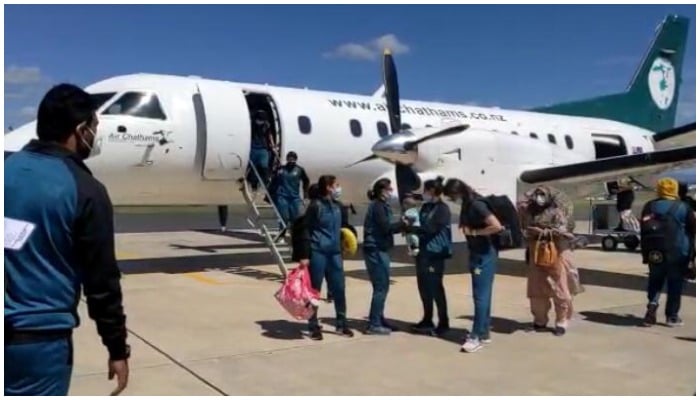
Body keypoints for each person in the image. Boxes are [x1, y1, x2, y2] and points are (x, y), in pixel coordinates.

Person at [4, 84, 130, 396]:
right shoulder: (86, 190)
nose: (95, 135)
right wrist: (117, 348)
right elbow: (102, 283)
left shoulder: (6, 168)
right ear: (79, 130)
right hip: (37, 344)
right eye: (94, 127)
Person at [444, 179, 504, 353]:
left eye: (452, 196)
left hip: (484, 254)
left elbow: (496, 226)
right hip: (478, 252)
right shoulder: (468, 204)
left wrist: (475, 232)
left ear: (458, 193)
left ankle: (476, 335)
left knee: (480, 296)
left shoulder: (477, 205)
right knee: (483, 294)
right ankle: (484, 332)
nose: (452, 200)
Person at [517, 185, 578, 337]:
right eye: (537, 194)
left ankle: (561, 321)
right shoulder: (529, 212)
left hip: (555, 252)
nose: (539, 197)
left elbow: (565, 230)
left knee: (560, 287)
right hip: (535, 252)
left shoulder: (557, 211)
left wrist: (549, 232)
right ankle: (540, 319)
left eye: (543, 194)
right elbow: (523, 227)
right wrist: (533, 232)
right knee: (536, 289)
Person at [300, 175, 353, 340]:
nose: (338, 188)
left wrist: (350, 239)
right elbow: (305, 230)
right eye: (336, 185)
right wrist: (304, 255)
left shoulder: (339, 207)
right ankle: (313, 325)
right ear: (328, 187)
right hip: (318, 252)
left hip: (335, 253)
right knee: (314, 290)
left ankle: (341, 323)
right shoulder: (315, 206)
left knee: (339, 288)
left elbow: (345, 227)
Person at [641, 178, 695, 327]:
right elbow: (694, 230)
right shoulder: (683, 207)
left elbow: (643, 230)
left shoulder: (649, 206)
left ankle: (652, 305)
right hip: (677, 251)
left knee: (655, 280)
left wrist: (645, 254)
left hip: (654, 251)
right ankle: (672, 316)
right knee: (675, 283)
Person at [404, 177, 453, 337]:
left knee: (436, 288)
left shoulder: (442, 209)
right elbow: (420, 223)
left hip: (436, 254)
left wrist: (412, 229)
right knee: (423, 287)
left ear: (432, 191)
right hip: (423, 252)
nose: (423, 194)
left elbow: (431, 228)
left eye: (425, 190)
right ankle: (427, 318)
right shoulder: (426, 207)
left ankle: (443, 322)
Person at [362, 179, 406, 335]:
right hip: (376, 249)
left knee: (381, 286)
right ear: (382, 190)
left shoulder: (380, 206)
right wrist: (403, 224)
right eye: (389, 188)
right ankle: (374, 323)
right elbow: (386, 227)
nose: (391, 191)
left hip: (378, 248)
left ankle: (378, 317)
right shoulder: (378, 207)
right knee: (381, 286)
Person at [271, 151, 310, 232]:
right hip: (282, 197)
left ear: (296, 160)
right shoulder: (281, 170)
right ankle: (281, 233)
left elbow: (306, 181)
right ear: (287, 159)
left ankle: (294, 234)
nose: (291, 160)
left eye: (293, 159)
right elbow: (273, 181)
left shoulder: (299, 170)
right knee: (283, 216)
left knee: (295, 217)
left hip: (295, 197)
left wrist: (305, 195)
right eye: (289, 158)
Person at [246, 110, 275, 196]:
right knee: (253, 168)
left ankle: (266, 185)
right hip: (253, 148)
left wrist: (273, 146)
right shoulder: (251, 124)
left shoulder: (266, 125)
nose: (260, 121)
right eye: (259, 119)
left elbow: (269, 135)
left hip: (263, 148)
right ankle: (253, 185)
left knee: (264, 167)